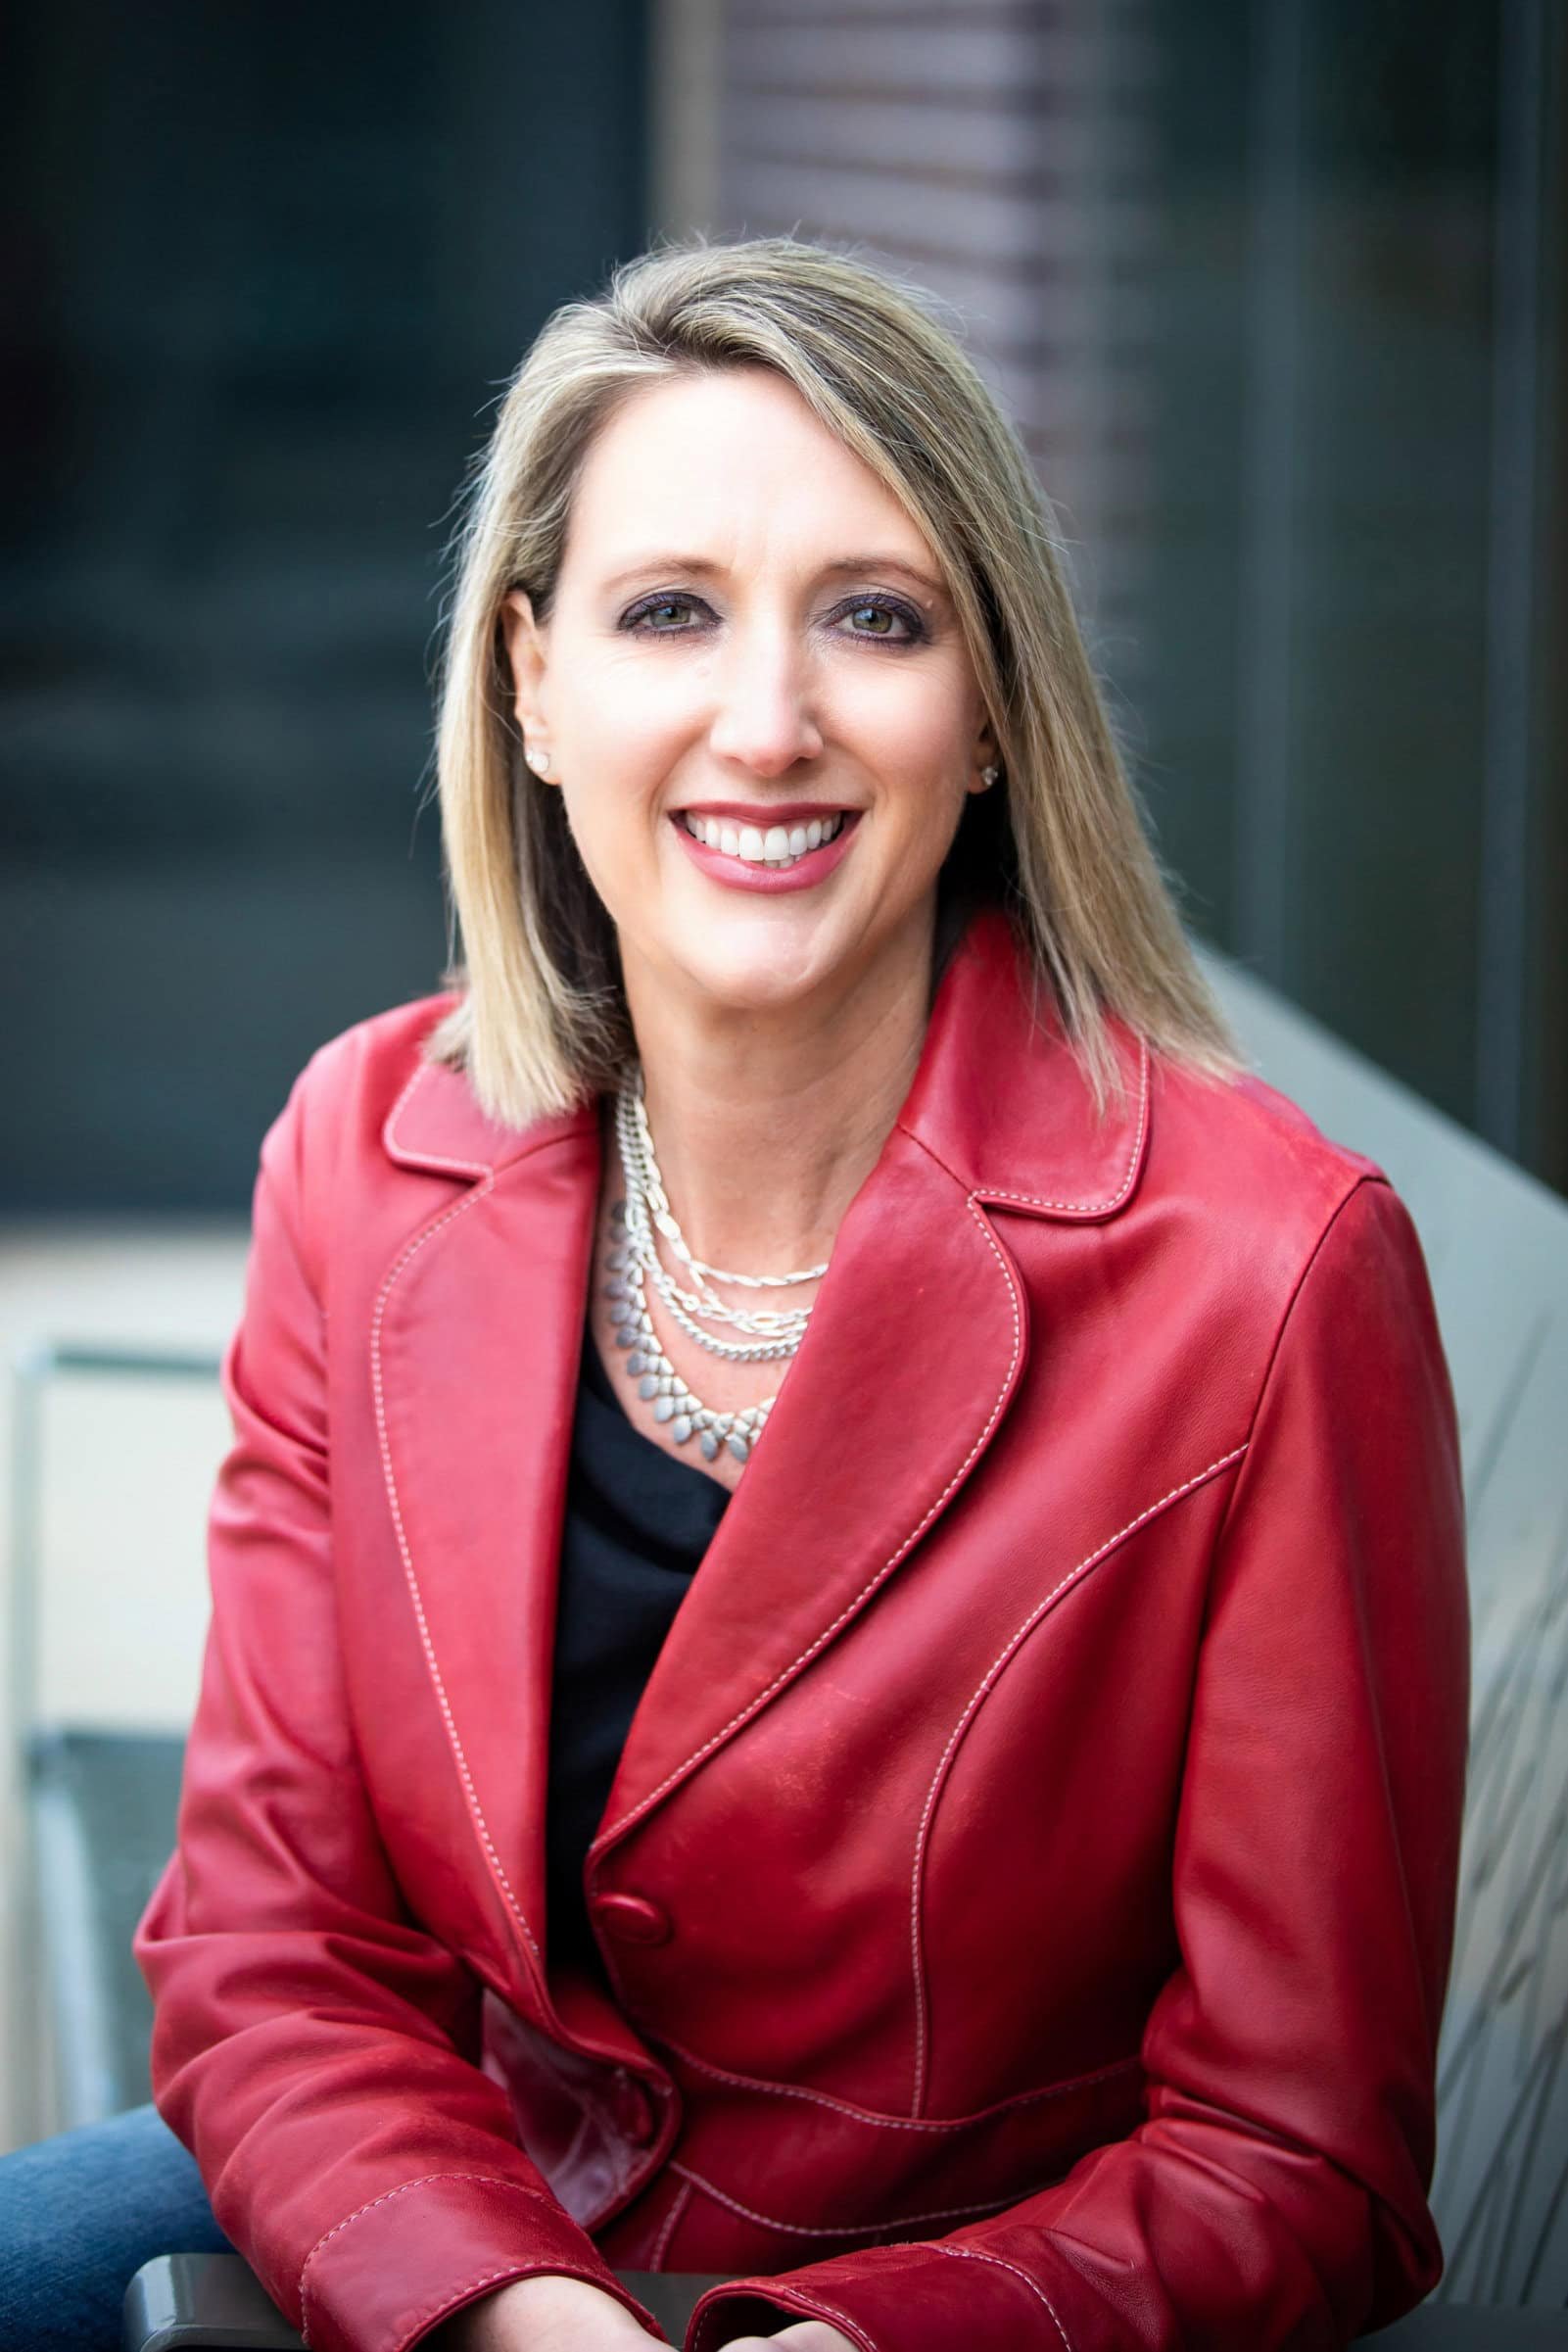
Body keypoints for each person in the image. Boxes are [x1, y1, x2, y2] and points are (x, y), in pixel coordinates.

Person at [0, 235, 1468, 2352]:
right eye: (668, 611)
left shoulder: (1273, 1274)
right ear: (531, 682)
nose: (765, 723)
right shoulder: (364, 1148)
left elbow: (1299, 2155)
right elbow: (275, 1947)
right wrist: (519, 2311)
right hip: (435, 2213)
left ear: (987, 718)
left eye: (875, 620)